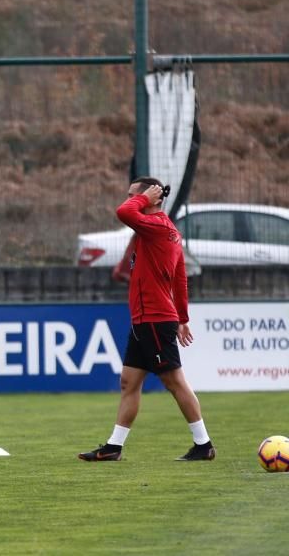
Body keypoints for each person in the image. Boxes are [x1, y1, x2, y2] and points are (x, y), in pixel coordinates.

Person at [78, 177, 215, 462]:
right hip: (147, 319)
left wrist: (144, 198)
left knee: (174, 381)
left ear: (152, 197)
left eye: (133, 195)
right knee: (129, 382)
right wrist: (182, 317)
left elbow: (124, 212)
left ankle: (204, 445)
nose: (129, 199)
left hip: (153, 318)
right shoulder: (162, 231)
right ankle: (114, 447)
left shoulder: (155, 226)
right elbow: (179, 279)